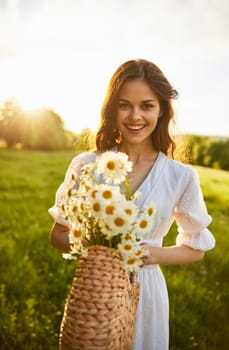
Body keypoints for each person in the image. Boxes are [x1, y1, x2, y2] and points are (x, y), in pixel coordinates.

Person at [49, 58, 215, 350]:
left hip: (148, 292)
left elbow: (196, 250)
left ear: (162, 109)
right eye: (124, 104)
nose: (135, 116)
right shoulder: (87, 165)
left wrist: (154, 254)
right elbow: (58, 234)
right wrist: (98, 250)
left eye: (147, 105)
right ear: (112, 108)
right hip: (96, 292)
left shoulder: (181, 175)